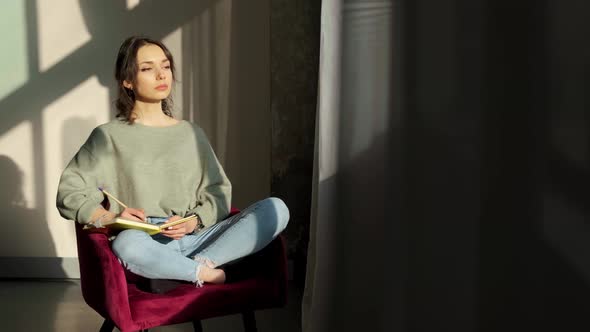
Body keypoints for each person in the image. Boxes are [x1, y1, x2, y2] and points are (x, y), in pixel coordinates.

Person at [56, 36, 289, 286]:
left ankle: (195, 268)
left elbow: (218, 192)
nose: (161, 75)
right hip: (144, 238)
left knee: (276, 208)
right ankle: (203, 274)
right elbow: (69, 191)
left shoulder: (191, 133)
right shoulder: (108, 136)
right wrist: (109, 218)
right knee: (127, 243)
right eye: (147, 68)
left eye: (165, 66)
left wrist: (192, 221)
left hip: (197, 235)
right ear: (127, 81)